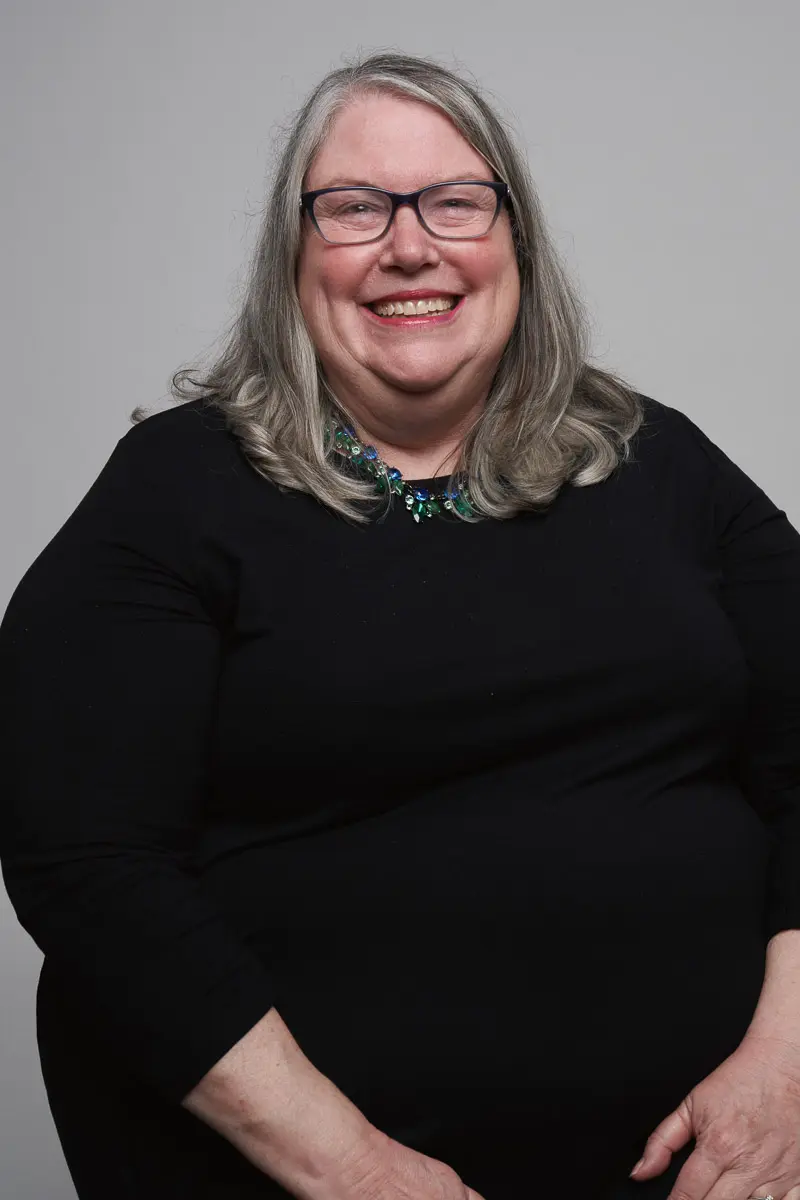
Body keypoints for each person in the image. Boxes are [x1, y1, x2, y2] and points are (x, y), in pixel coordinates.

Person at [1, 49, 800, 1200]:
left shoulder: (651, 457)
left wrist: (783, 1067)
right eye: (354, 209)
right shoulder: (176, 490)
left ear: (513, 241)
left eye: (455, 201)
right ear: (292, 255)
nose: (409, 246)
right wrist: (353, 1171)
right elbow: (84, 859)